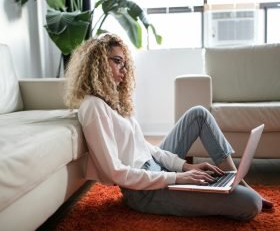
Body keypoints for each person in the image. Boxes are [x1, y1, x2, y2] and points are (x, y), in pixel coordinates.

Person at [64, 33, 273, 221]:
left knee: (198, 114)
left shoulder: (113, 102)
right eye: (117, 61)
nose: (124, 70)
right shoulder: (93, 106)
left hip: (157, 169)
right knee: (251, 203)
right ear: (98, 63)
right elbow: (115, 172)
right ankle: (234, 187)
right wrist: (176, 177)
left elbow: (146, 148)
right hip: (143, 192)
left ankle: (236, 179)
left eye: (125, 63)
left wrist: (184, 167)